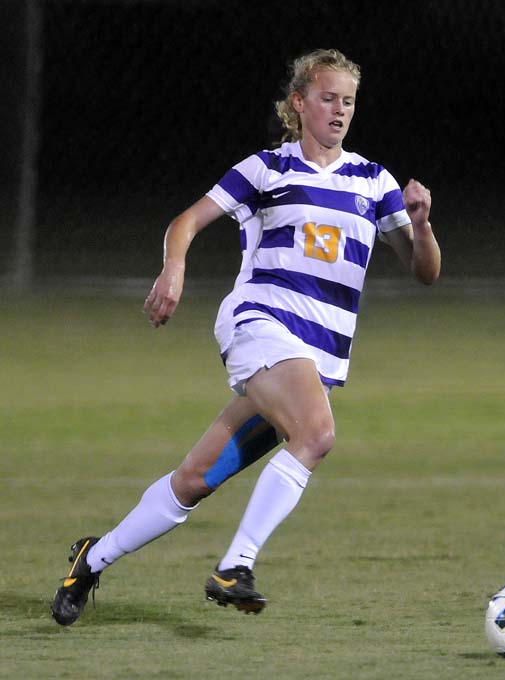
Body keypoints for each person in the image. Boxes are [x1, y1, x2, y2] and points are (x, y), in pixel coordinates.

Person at [50, 48, 441, 626]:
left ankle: (90, 559)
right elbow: (185, 223)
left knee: (193, 481)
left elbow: (424, 270)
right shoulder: (267, 170)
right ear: (298, 104)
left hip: (315, 357)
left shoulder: (374, 181)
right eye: (328, 98)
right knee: (316, 433)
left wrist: (423, 223)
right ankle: (235, 566)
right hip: (261, 324)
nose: (339, 111)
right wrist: (173, 269)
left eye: (349, 101)